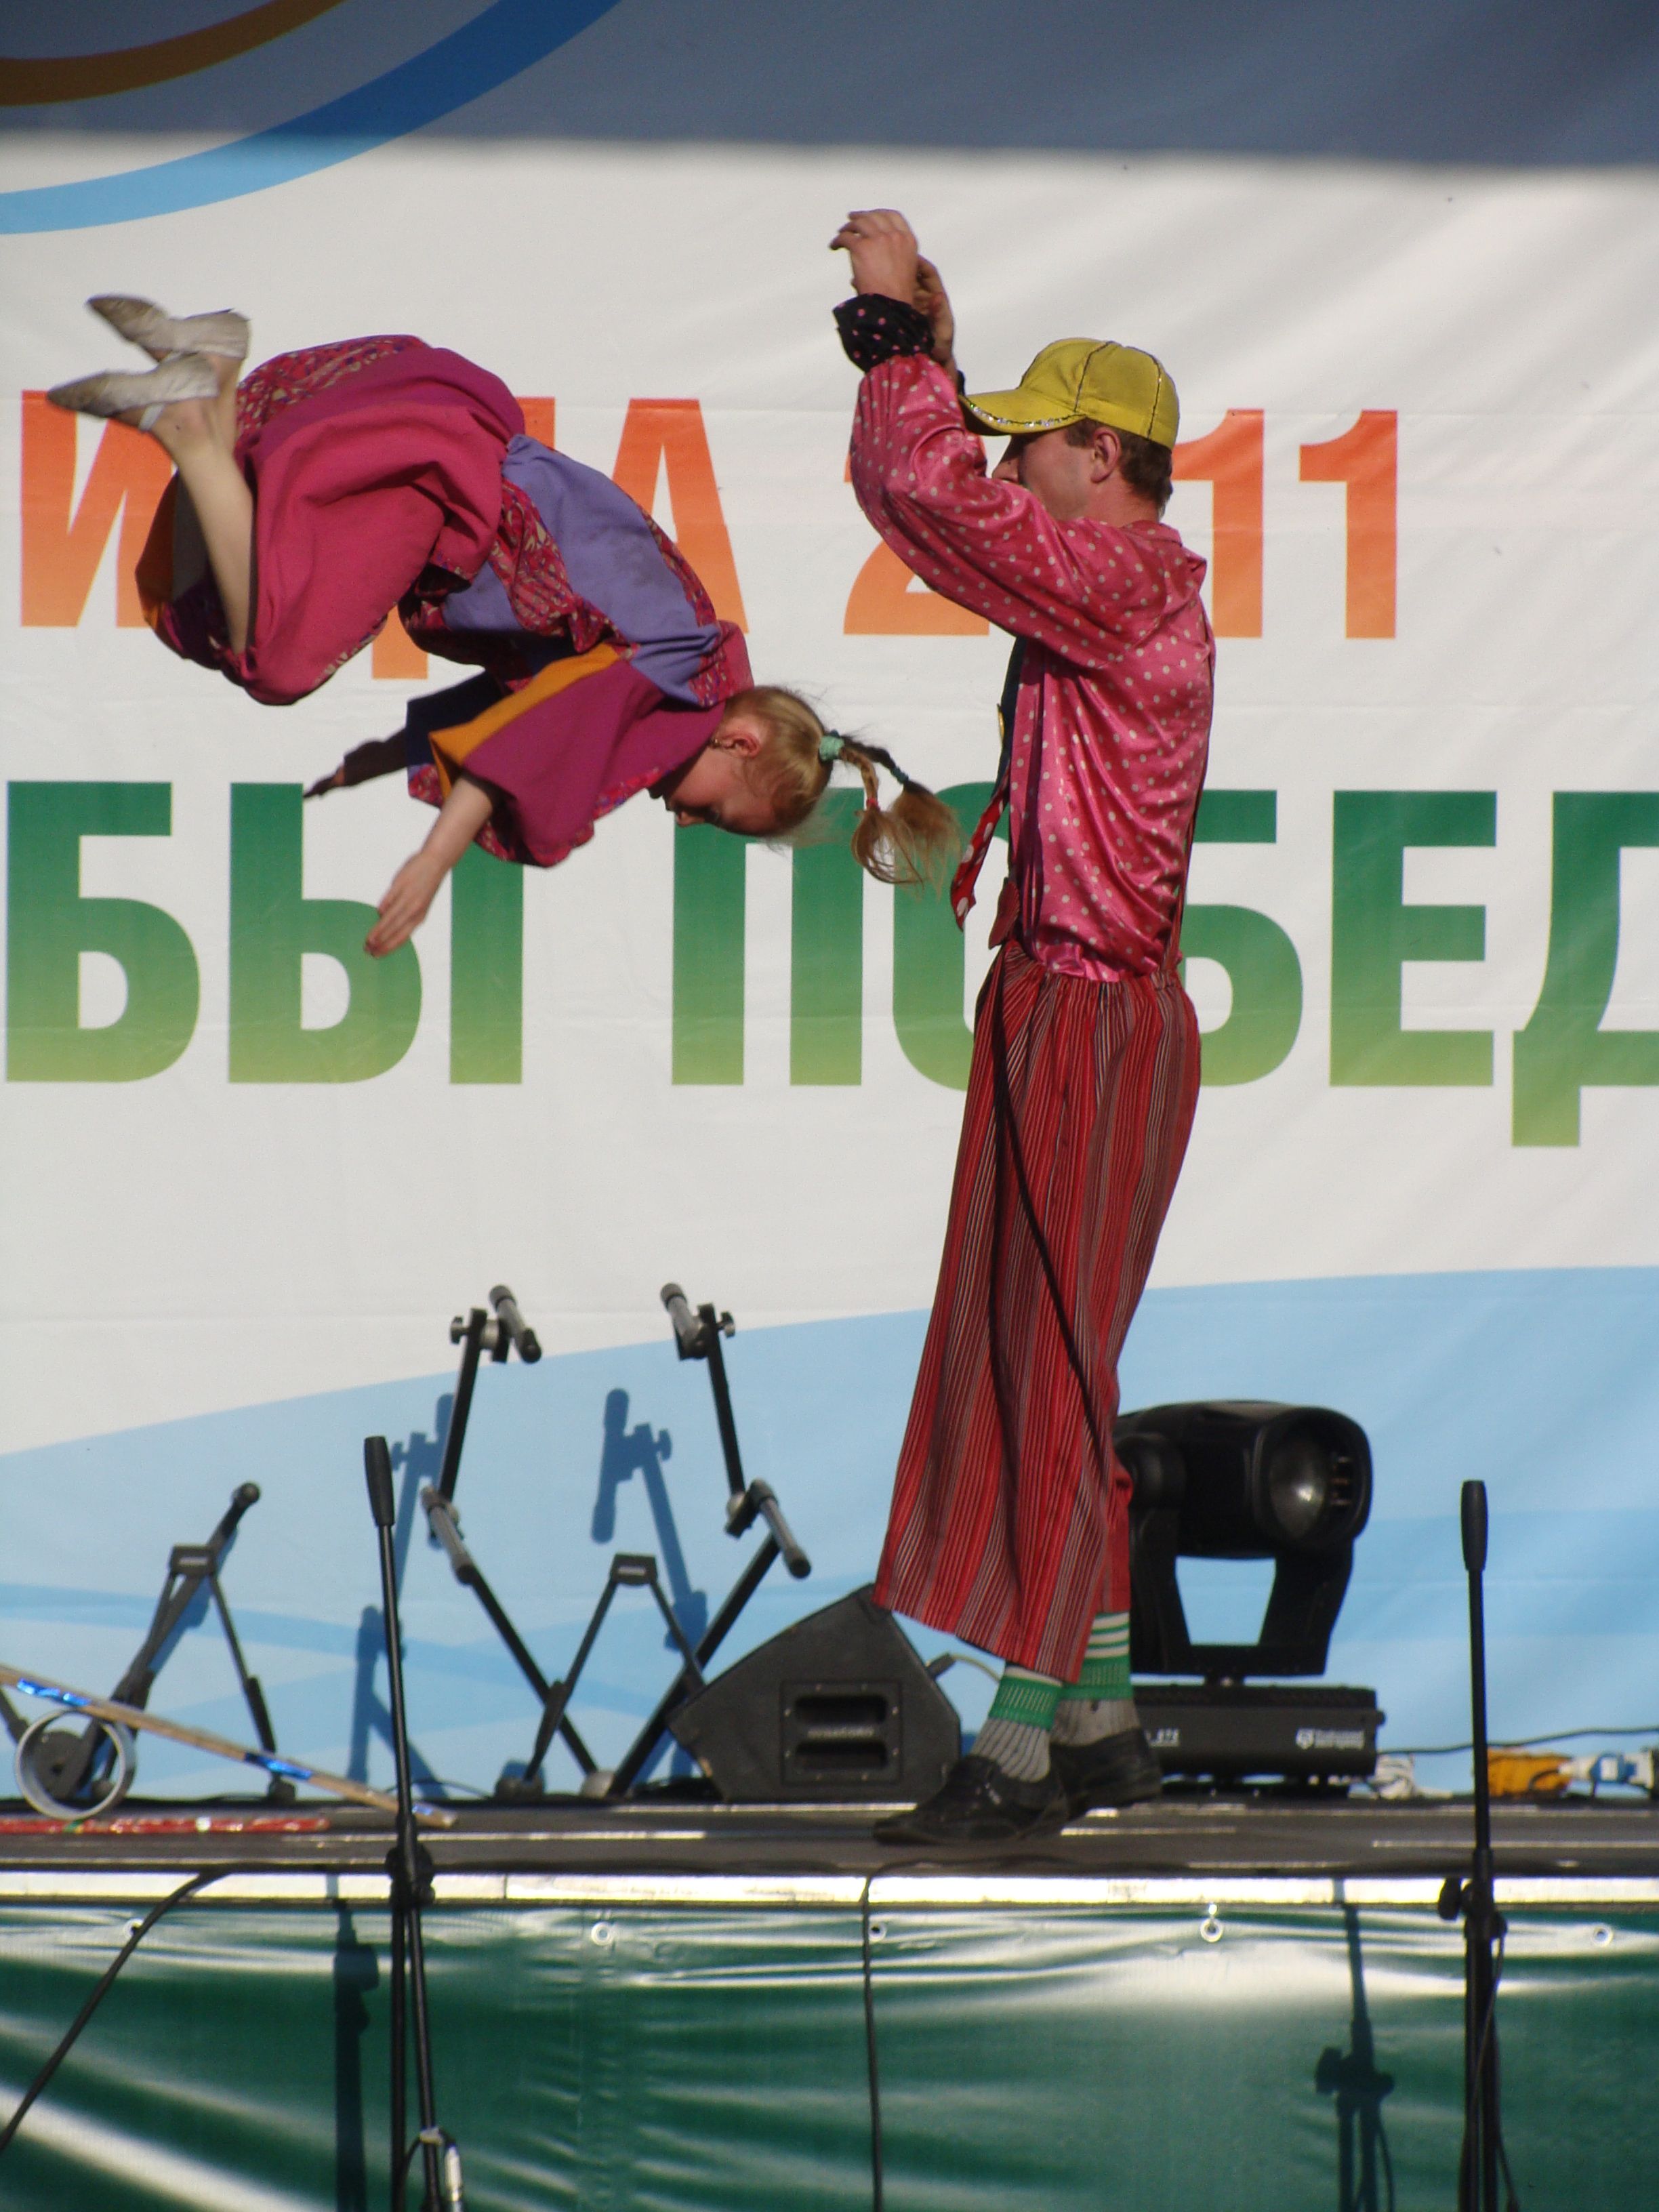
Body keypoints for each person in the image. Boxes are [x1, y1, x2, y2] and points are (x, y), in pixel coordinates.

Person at [828, 209, 1214, 1844]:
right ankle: (1108, 1711)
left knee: (1046, 1365)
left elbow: (923, 494)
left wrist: (893, 339)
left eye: (1029, 450)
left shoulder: (1119, 581)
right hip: (1066, 998)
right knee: (1053, 1350)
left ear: (1097, 458)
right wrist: (931, 335)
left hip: (1094, 1009)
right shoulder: (1112, 582)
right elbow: (957, 492)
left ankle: (1022, 1747)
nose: (1011, 475)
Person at [49, 299, 957, 950]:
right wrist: (437, 856)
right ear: (745, 742)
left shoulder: (683, 661)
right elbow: (532, 747)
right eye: (715, 814)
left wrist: (378, 758)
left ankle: (210, 366)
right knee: (278, 662)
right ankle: (190, 426)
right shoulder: (671, 687)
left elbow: (506, 713)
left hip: (434, 456)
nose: (685, 822)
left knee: (206, 621)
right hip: (438, 486)